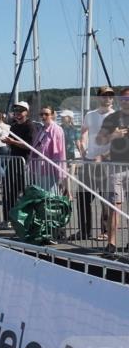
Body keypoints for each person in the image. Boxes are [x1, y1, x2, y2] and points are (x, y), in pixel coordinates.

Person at [76, 87, 115, 241]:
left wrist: (103, 156)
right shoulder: (90, 115)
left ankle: (105, 231)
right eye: (104, 95)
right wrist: (83, 147)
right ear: (99, 97)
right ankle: (84, 230)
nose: (107, 98)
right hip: (89, 161)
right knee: (83, 197)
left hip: (107, 163)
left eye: (110, 95)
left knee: (105, 199)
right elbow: (84, 131)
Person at [96, 88, 129, 259]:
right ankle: (112, 243)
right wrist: (113, 135)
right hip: (116, 167)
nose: (125, 101)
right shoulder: (112, 118)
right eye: (123, 99)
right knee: (115, 207)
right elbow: (99, 139)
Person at [0, 101, 40, 229]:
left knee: (25, 193)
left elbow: (30, 145)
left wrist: (13, 142)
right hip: (13, 161)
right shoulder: (14, 126)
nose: (18, 114)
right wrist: (8, 142)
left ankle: (27, 220)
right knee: (8, 191)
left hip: (25, 162)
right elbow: (12, 142)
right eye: (16, 111)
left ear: (26, 112)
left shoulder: (30, 126)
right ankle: (7, 219)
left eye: (20, 111)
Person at [29, 106, 66, 195]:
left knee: (50, 195)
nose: (43, 116)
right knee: (42, 195)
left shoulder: (56, 129)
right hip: (40, 167)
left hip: (50, 169)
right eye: (41, 114)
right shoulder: (42, 129)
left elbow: (60, 151)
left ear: (52, 115)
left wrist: (59, 170)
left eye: (46, 114)